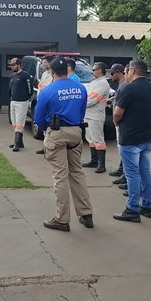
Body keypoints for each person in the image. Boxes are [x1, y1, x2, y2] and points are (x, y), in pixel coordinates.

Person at [33, 57, 93, 231]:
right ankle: (86, 213)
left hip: (57, 132)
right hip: (75, 131)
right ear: (67, 70)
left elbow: (38, 118)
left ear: (52, 72)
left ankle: (62, 219)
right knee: (77, 172)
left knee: (60, 176)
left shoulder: (47, 91)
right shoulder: (80, 88)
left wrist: (47, 129)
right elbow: (82, 111)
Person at [112, 60, 151, 223]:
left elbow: (117, 113)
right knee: (145, 171)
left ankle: (132, 209)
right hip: (146, 136)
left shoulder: (129, 89)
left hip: (130, 137)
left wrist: (116, 122)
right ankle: (147, 205)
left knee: (132, 174)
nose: (126, 74)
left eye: (127, 71)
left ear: (133, 71)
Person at [82, 62, 110, 173]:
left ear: (100, 70)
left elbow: (92, 100)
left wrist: (81, 104)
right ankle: (94, 161)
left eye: (94, 70)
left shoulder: (103, 84)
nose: (92, 72)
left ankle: (102, 164)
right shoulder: (93, 82)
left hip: (96, 115)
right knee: (90, 138)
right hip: (88, 114)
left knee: (98, 139)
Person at [107, 63, 127, 181]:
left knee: (123, 148)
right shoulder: (121, 85)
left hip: (120, 121)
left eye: (112, 73)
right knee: (121, 147)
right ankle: (121, 170)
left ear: (119, 72)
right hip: (119, 121)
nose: (111, 76)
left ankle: (125, 174)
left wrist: (116, 119)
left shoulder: (124, 85)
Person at [8, 57, 33, 152]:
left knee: (19, 123)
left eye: (13, 65)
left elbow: (30, 89)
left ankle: (16, 144)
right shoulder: (12, 76)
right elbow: (10, 88)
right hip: (13, 101)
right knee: (14, 122)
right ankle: (20, 142)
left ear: (18, 65)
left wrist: (27, 98)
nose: (12, 67)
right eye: (11, 65)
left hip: (22, 102)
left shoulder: (25, 76)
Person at [36, 55, 55, 154]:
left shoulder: (54, 74)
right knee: (44, 128)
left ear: (50, 63)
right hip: (42, 101)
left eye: (45, 62)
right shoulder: (44, 74)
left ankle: (49, 148)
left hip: (49, 103)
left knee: (49, 127)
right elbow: (40, 86)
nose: (43, 64)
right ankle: (45, 147)